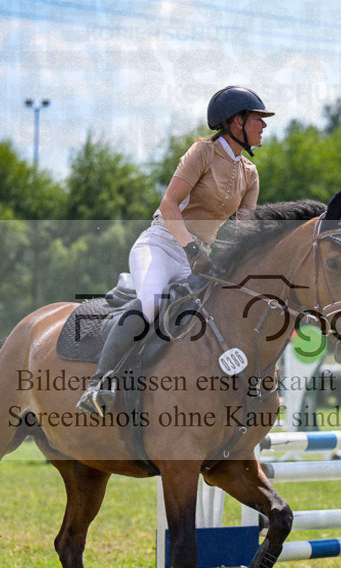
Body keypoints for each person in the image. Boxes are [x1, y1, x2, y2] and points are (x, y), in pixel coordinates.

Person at [76, 86, 274, 415]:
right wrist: (191, 247)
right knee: (152, 304)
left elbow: (244, 230)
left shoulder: (250, 174)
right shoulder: (202, 154)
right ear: (236, 122)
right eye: (258, 119)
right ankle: (100, 382)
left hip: (198, 259)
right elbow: (169, 204)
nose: (264, 126)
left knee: (219, 317)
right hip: (161, 245)